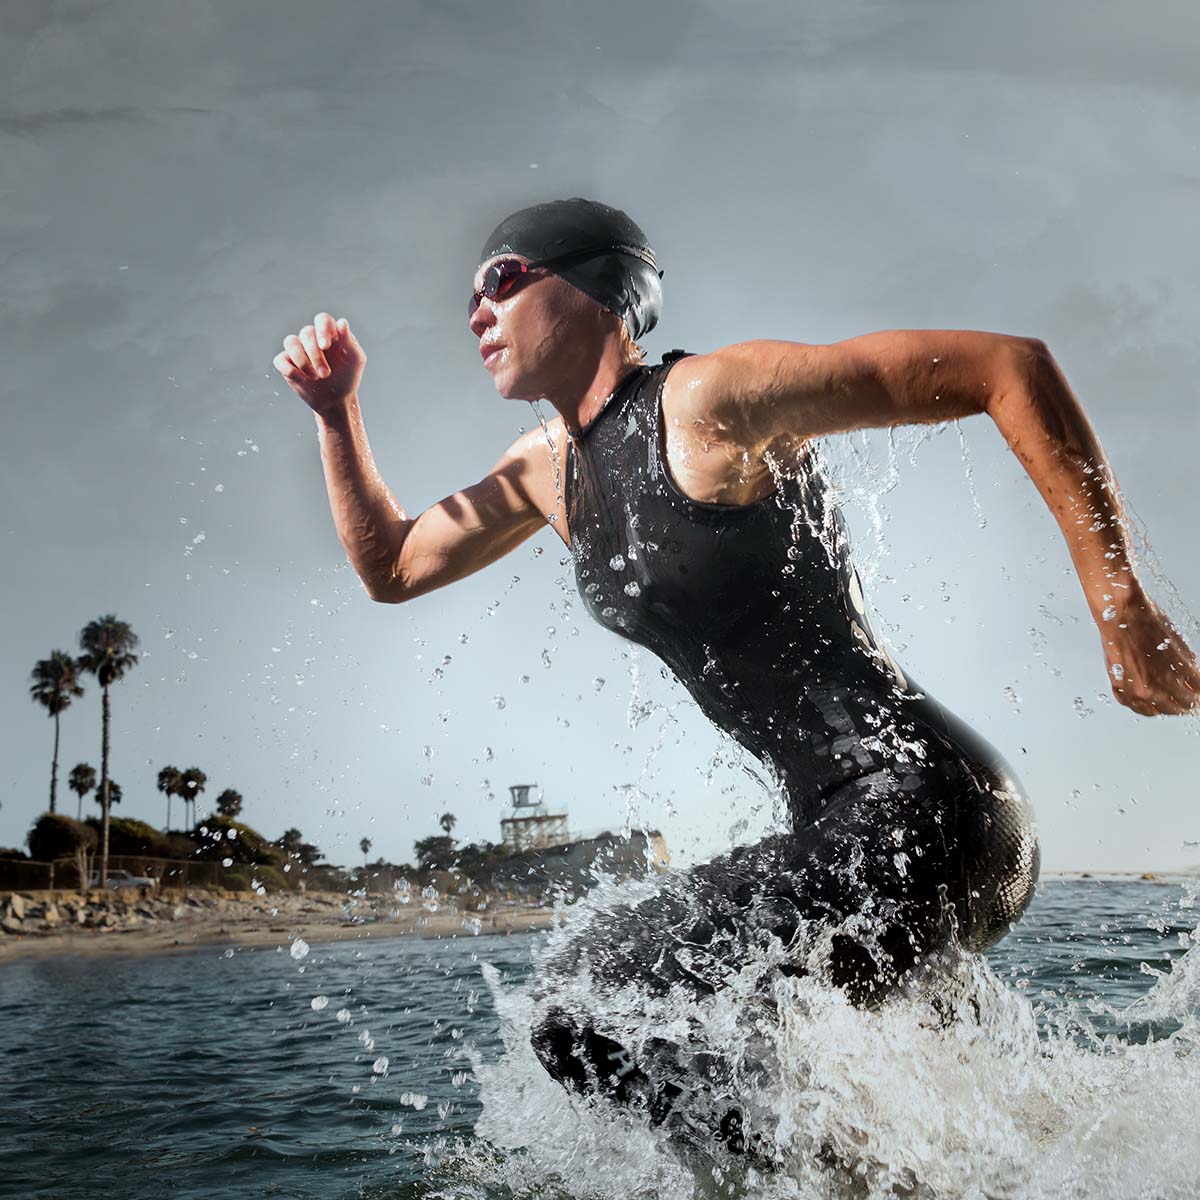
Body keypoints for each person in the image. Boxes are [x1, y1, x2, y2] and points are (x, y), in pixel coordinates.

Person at [273, 197, 1200, 1150]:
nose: (475, 311)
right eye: (470, 294)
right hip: (859, 842)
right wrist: (336, 410)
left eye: (502, 281)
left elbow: (1007, 367)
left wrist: (1119, 601)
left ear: (598, 289)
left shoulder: (711, 399)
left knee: (583, 1008)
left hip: (926, 811)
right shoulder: (543, 473)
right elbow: (392, 568)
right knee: (772, 1065)